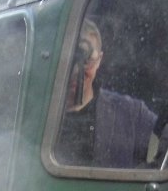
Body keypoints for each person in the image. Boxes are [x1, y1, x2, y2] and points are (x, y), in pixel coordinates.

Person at [55, 19, 157, 167]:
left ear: (99, 61)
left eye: (86, 60)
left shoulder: (130, 113)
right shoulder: (34, 116)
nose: (76, 71)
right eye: (69, 60)